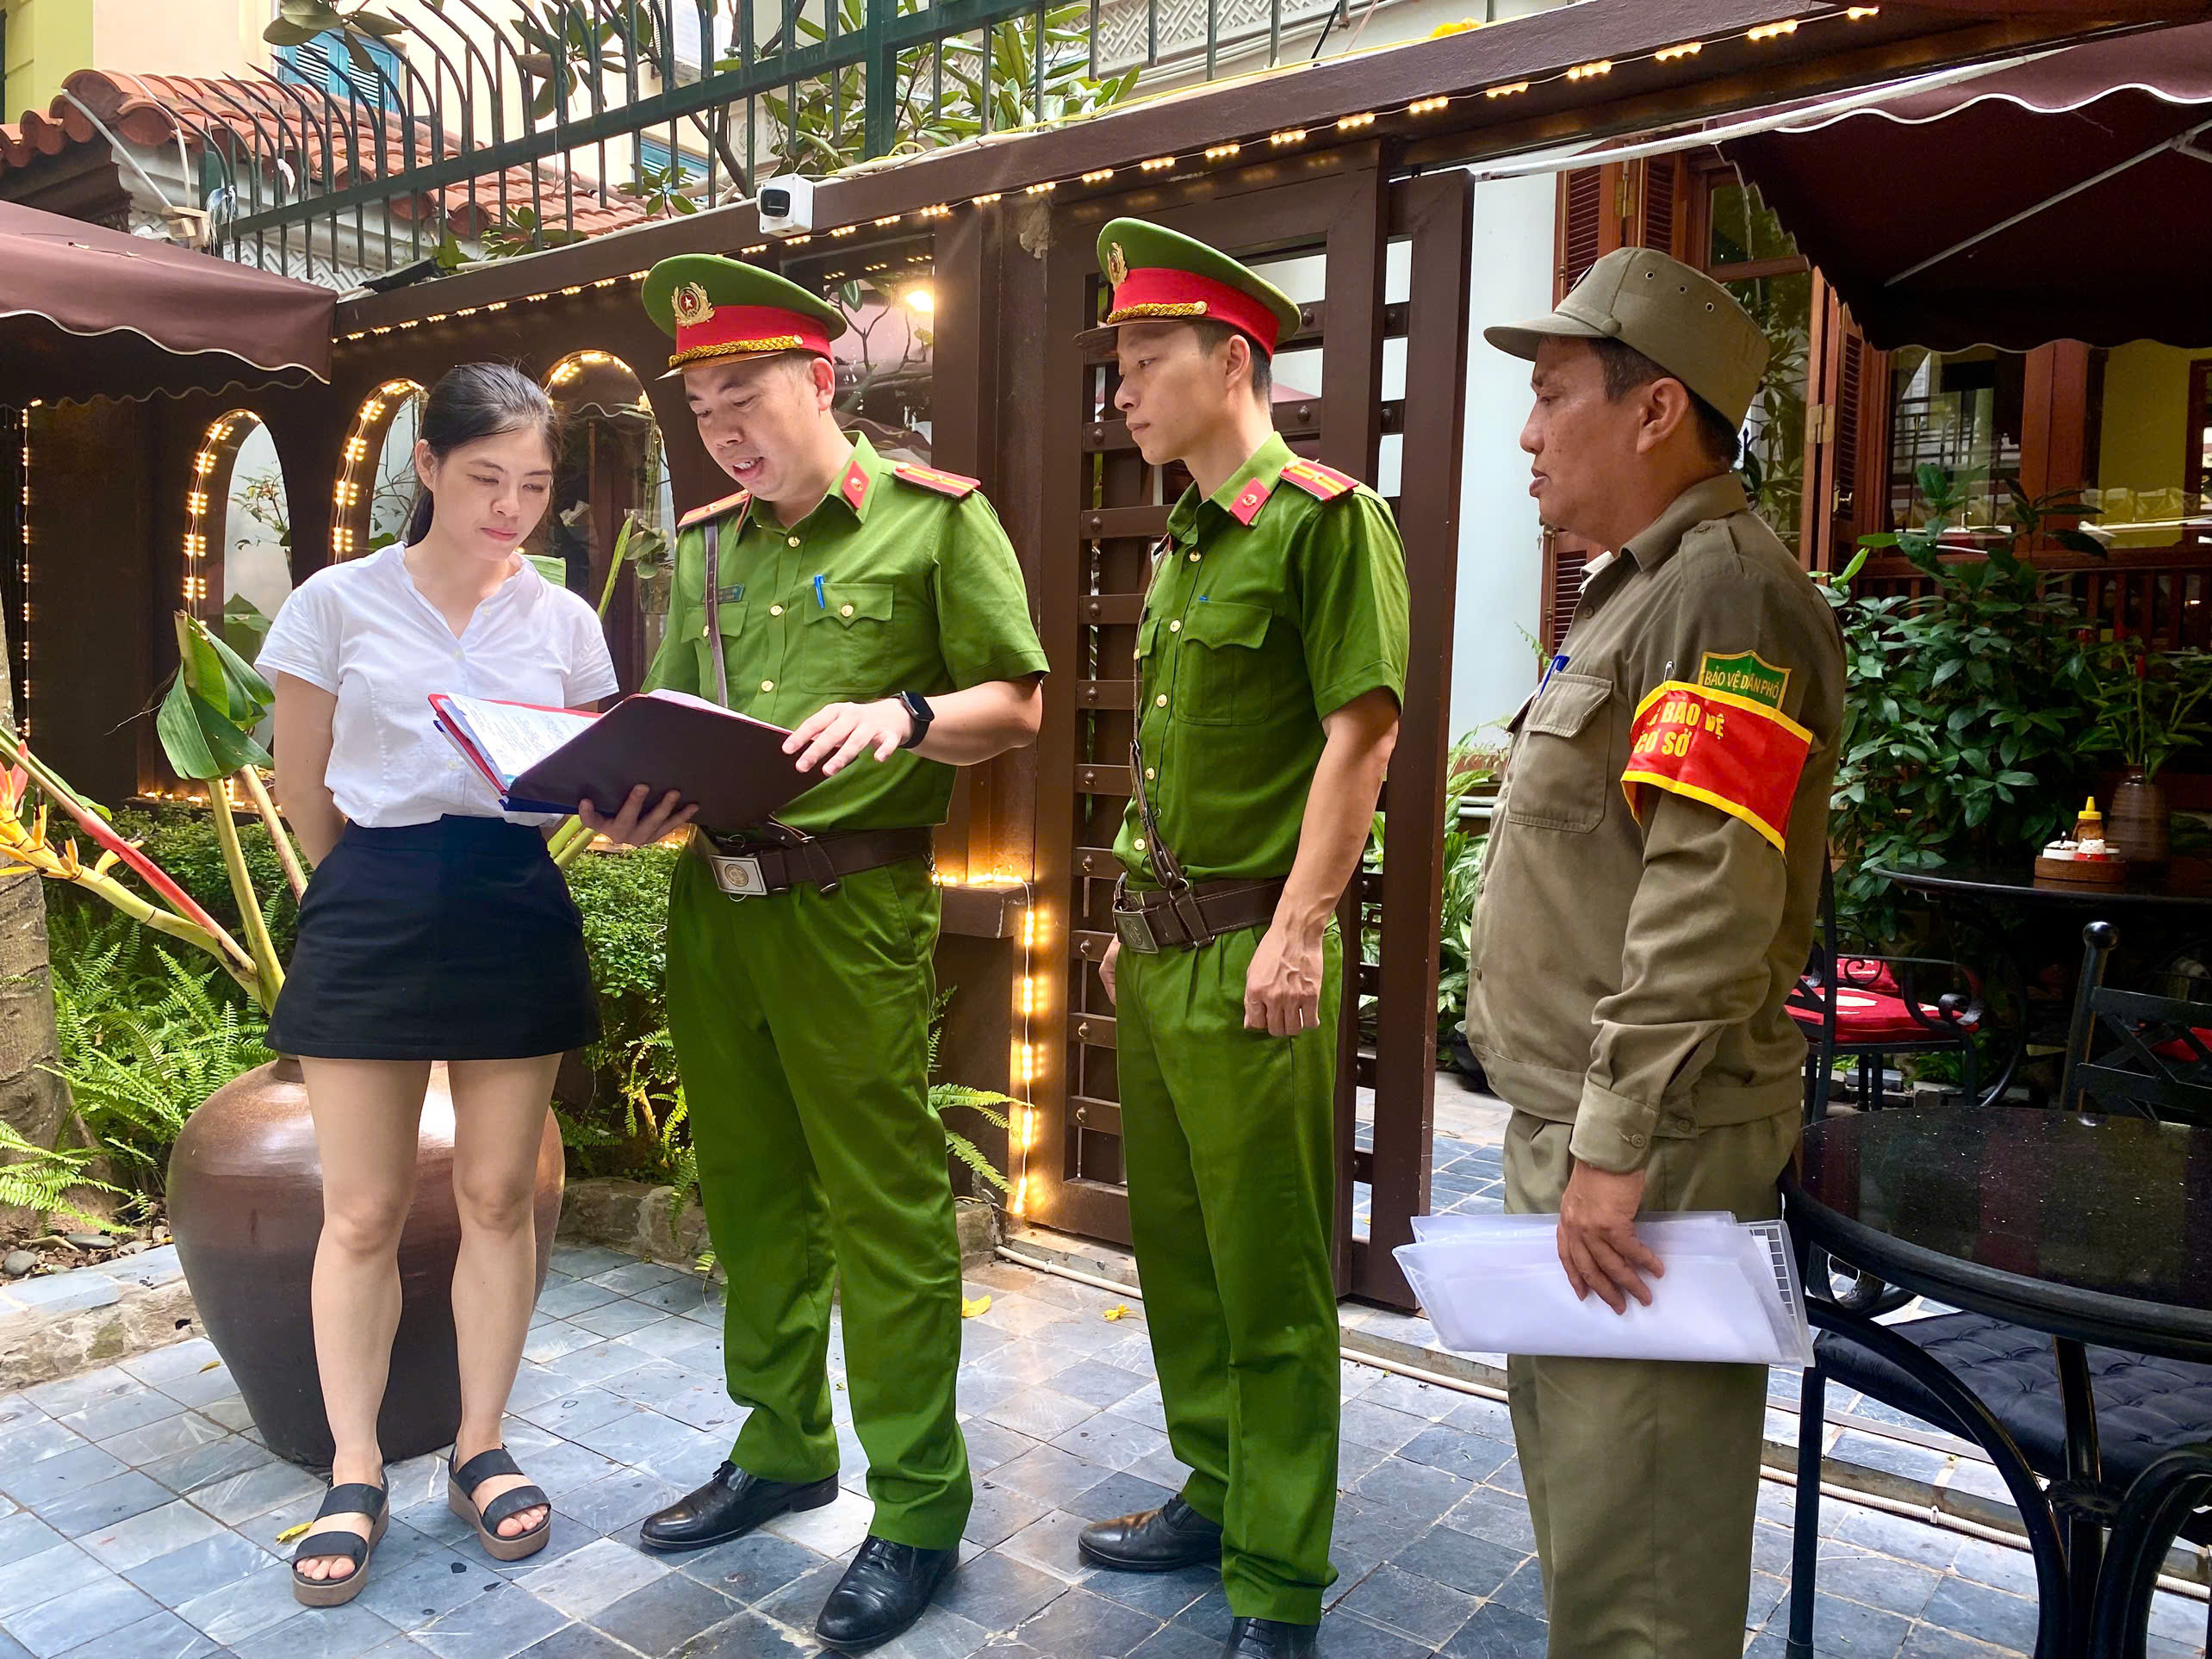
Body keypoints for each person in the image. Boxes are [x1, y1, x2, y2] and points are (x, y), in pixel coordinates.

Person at [581, 254, 1049, 1650]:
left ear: (821, 378)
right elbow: (682, 714)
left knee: (885, 1212)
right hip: (714, 909)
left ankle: (919, 1506)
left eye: (746, 395)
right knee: (751, 1192)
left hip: (850, 908)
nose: (723, 429)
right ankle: (782, 1445)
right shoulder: (707, 547)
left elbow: (1018, 702)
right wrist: (636, 801)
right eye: (702, 408)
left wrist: (909, 715)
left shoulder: (934, 520)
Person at [1465, 247, 1846, 1657]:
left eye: (1553, 392)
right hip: (1590, 1135)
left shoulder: (1724, 599)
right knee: (1595, 1528)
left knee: (1644, 1581)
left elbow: (1707, 895)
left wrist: (1614, 1143)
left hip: (1650, 1148)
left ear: (1655, 409)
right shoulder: (1635, 592)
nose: (1527, 430)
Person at [1074, 220, 1408, 1659]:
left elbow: (1362, 736)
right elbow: (1168, 755)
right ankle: (1215, 1485)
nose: (1122, 390)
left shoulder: (1327, 523)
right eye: (1119, 363)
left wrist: (1300, 930)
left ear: (1231, 362)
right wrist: (1128, 913)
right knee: (1183, 1252)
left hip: (1252, 960)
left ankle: (1276, 1576)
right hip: (1160, 950)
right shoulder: (1187, 539)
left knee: (1269, 1273)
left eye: (1145, 359)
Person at [259, 363, 620, 1606]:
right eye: (485, 479)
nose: (510, 508)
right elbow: (303, 786)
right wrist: (361, 887)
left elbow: (593, 779)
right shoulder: (336, 603)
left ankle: (480, 1443)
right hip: (372, 891)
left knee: (498, 1195)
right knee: (361, 1210)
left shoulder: (565, 623)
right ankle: (355, 1466)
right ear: (426, 466)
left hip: (512, 896)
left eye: (534, 485)